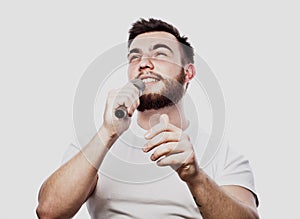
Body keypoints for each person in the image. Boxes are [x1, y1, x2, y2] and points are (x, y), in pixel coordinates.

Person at [36, 18, 259, 218]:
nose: (143, 63)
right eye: (135, 57)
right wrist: (108, 132)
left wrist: (195, 177)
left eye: (160, 53)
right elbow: (49, 211)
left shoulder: (224, 154)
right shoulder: (96, 143)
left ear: (188, 72)